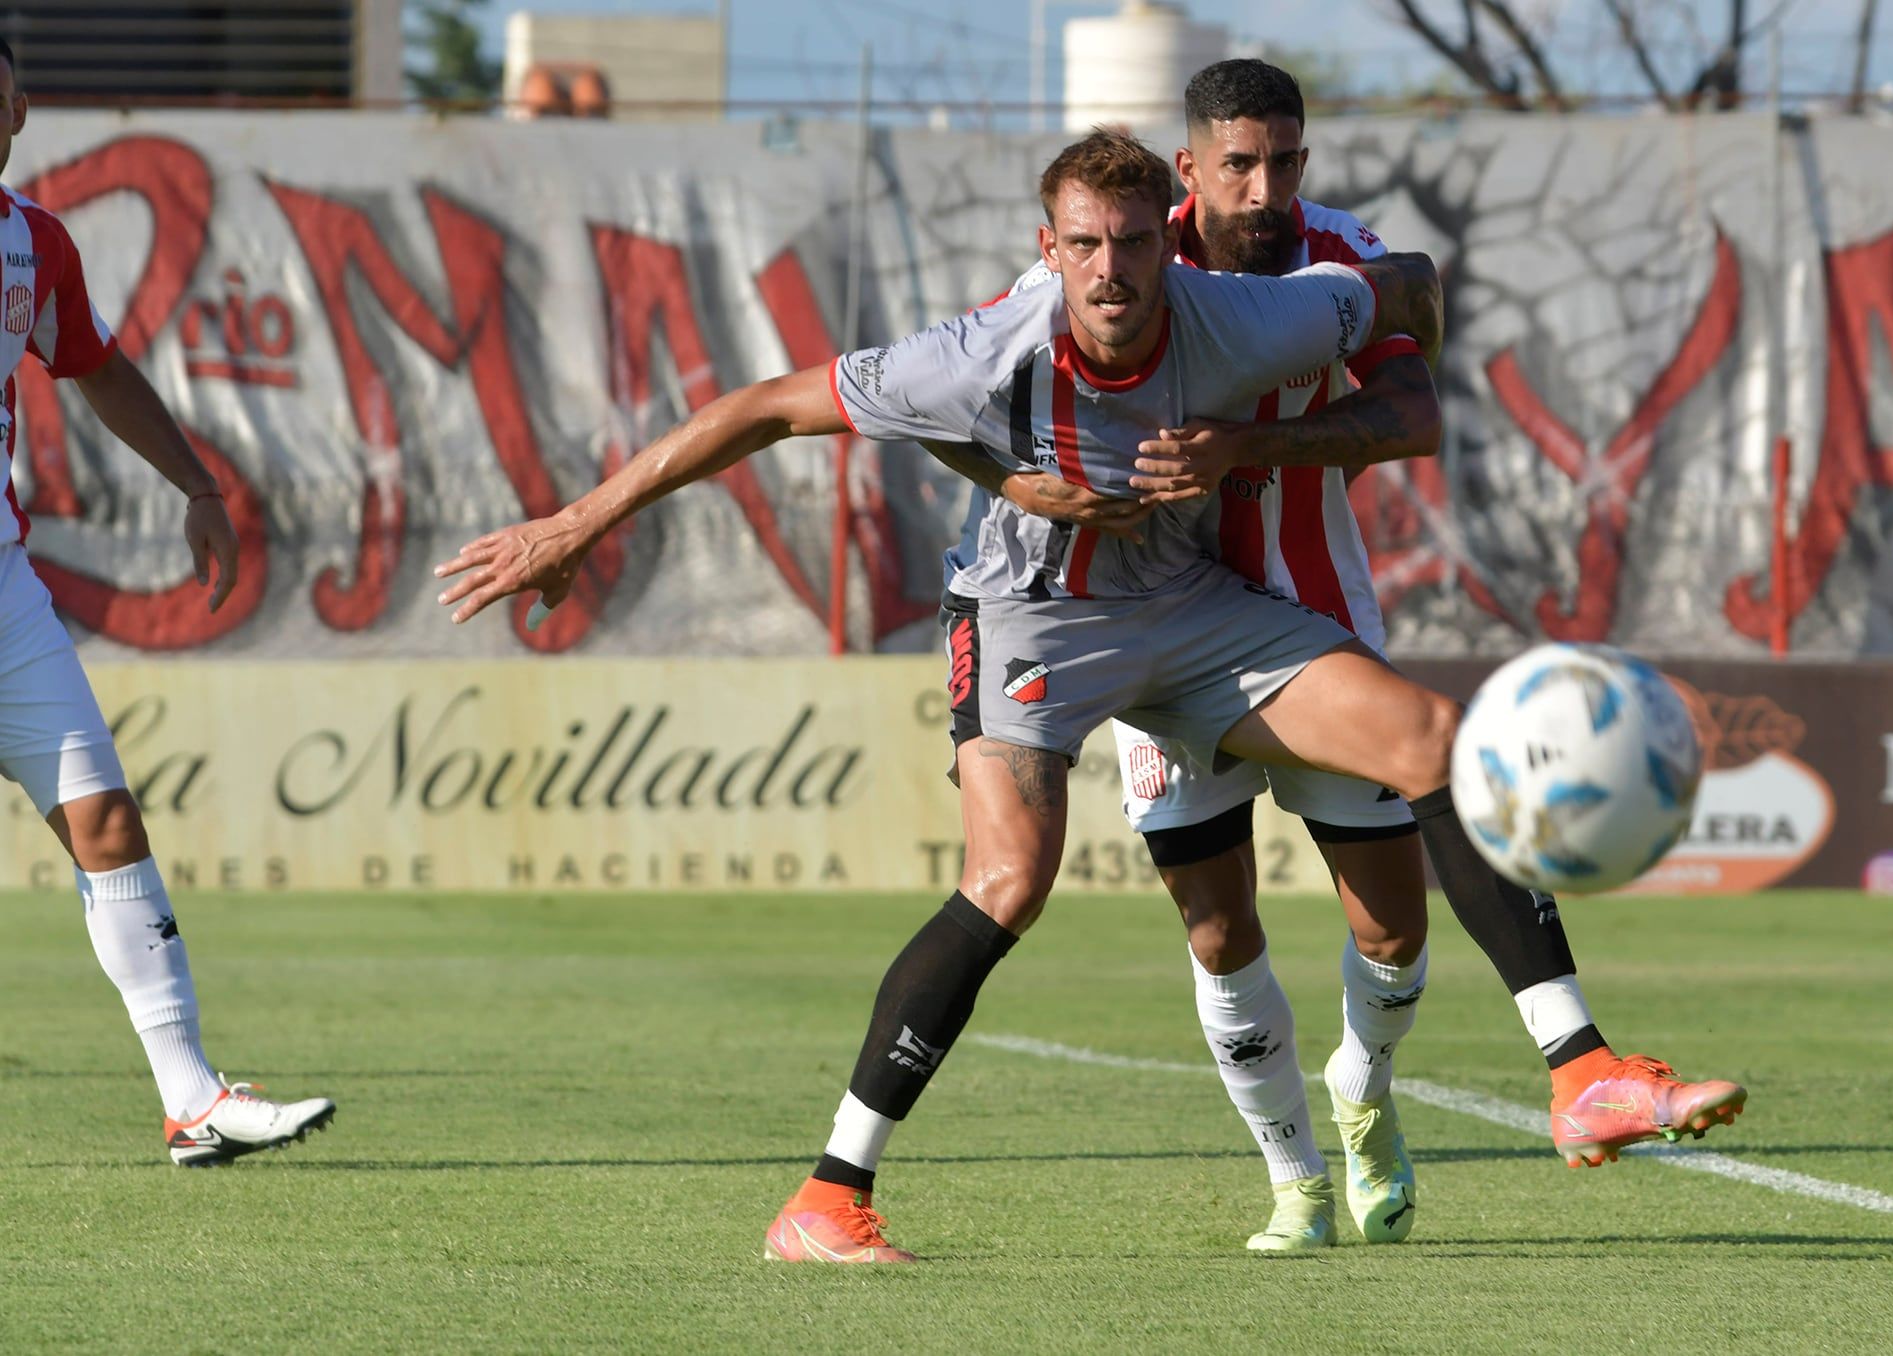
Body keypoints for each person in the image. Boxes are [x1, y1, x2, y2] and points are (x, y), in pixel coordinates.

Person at [434, 129, 1517, 1268]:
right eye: (1086, 245)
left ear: (1171, 247)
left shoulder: (1239, 314)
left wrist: (1354, 388)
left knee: (1425, 748)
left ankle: (1571, 1060)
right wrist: (573, 526)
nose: (1111, 270)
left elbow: (1404, 293)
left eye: (1135, 244)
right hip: (1027, 613)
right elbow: (762, 405)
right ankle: (828, 1197)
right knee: (1009, 882)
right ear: (1046, 250)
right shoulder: (981, 348)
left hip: (1190, 605)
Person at [935, 59, 1749, 1254]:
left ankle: (1366, 1088)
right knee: (1217, 930)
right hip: (1158, 644)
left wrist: (1250, 441)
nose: (1264, 190)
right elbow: (978, 390)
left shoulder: (1338, 257)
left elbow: (1413, 415)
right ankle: (1294, 1177)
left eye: (1283, 163)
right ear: (1189, 170)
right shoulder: (1113, 256)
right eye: (1238, 166)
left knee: (1391, 930)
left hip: (1310, 631)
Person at [0, 40, 334, 1165]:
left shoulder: (33, 242)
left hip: (5, 592)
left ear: (18, 112)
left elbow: (91, 363)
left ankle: (192, 1101)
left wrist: (196, 482)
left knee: (104, 820)